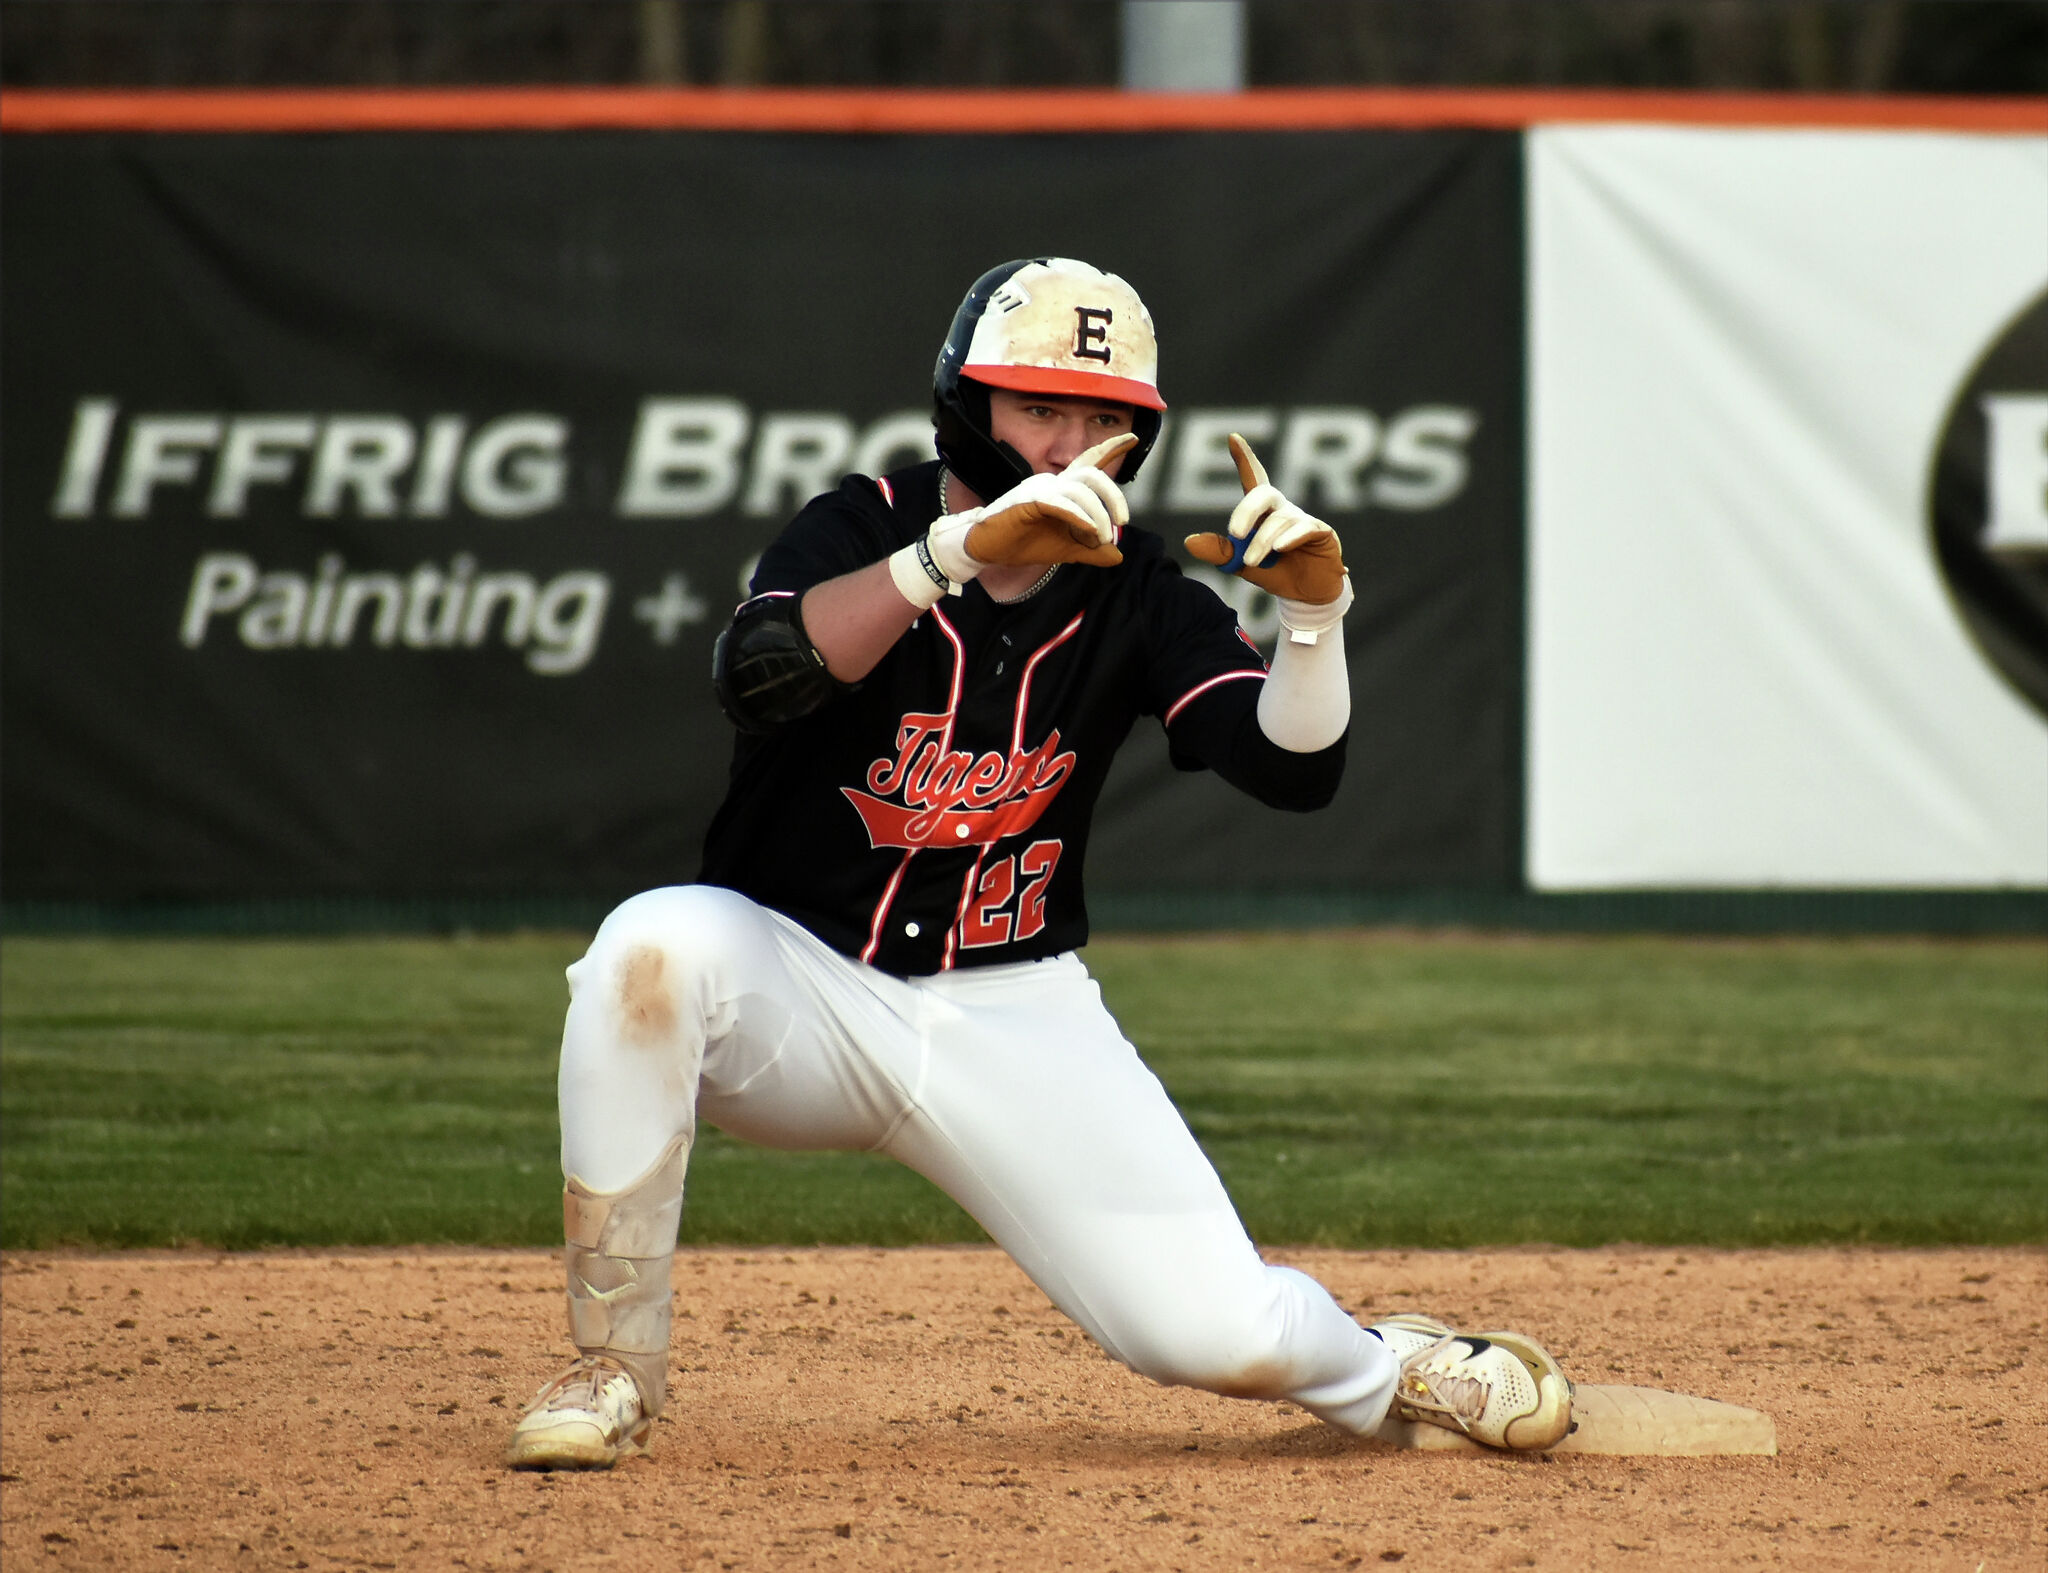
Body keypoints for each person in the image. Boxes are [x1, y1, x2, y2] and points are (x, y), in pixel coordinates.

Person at [505, 258, 1571, 1469]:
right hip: (796, 983)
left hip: (1011, 1008)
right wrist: (946, 556)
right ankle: (608, 1368)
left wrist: (1313, 623)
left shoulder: (1137, 591)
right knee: (646, 951)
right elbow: (760, 674)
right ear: (967, 406)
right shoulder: (863, 524)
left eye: (1103, 416)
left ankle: (1390, 1366)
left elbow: (1290, 768)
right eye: (1038, 408)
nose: (1073, 442)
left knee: (1217, 1336)